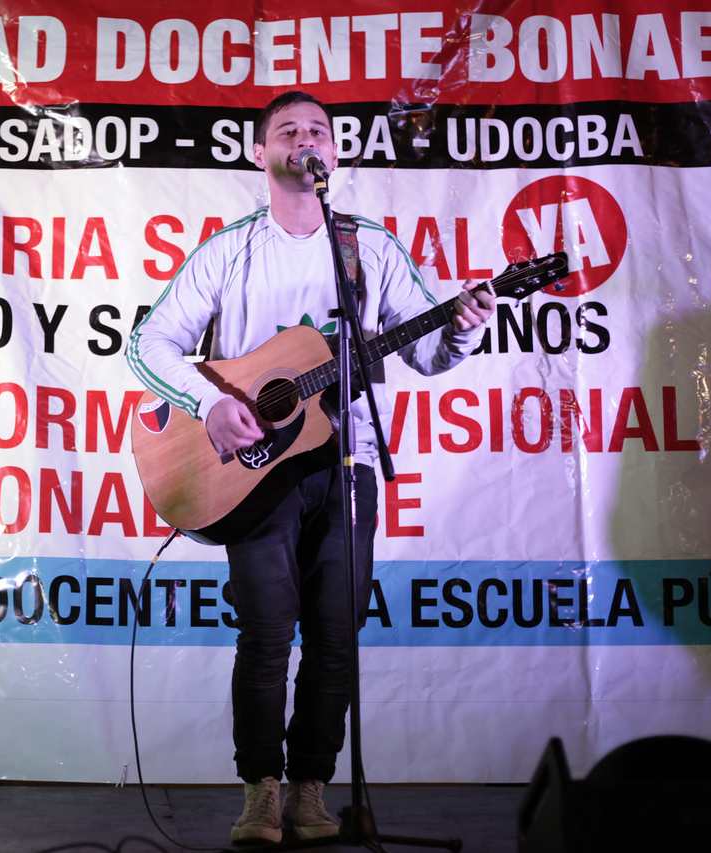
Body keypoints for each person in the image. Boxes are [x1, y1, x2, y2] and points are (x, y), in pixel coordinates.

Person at [126, 91, 495, 843]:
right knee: (267, 633)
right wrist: (209, 402)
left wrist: (464, 329)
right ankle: (260, 790)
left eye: (319, 130)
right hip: (256, 470)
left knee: (337, 635)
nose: (306, 139)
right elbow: (148, 342)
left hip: (348, 461)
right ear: (259, 153)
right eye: (288, 130)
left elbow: (427, 353)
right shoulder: (229, 250)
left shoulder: (369, 248)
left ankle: (310, 790)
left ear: (335, 152)